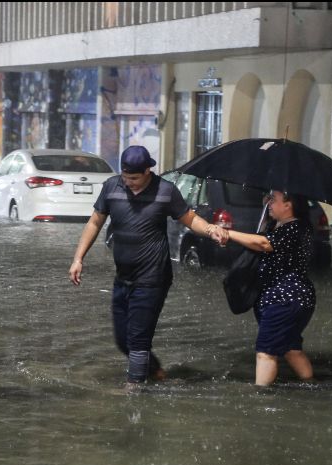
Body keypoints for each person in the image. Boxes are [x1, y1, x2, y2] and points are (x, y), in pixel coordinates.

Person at [69, 145, 227, 386]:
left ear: (147, 171)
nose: (129, 182)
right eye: (126, 177)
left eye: (134, 178)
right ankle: (155, 372)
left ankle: (134, 394)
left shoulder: (165, 190)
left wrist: (210, 229)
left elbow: (190, 218)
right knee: (122, 340)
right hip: (123, 277)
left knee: (138, 340)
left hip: (153, 278)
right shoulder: (112, 187)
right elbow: (95, 222)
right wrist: (78, 258)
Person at [221, 190, 316, 386]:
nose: (269, 202)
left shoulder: (295, 227)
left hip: (285, 299)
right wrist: (268, 206)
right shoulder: (278, 225)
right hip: (286, 299)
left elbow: (263, 243)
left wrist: (227, 233)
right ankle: (312, 385)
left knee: (266, 352)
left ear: (288, 205)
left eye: (274, 199)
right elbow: (263, 233)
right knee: (291, 349)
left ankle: (260, 400)